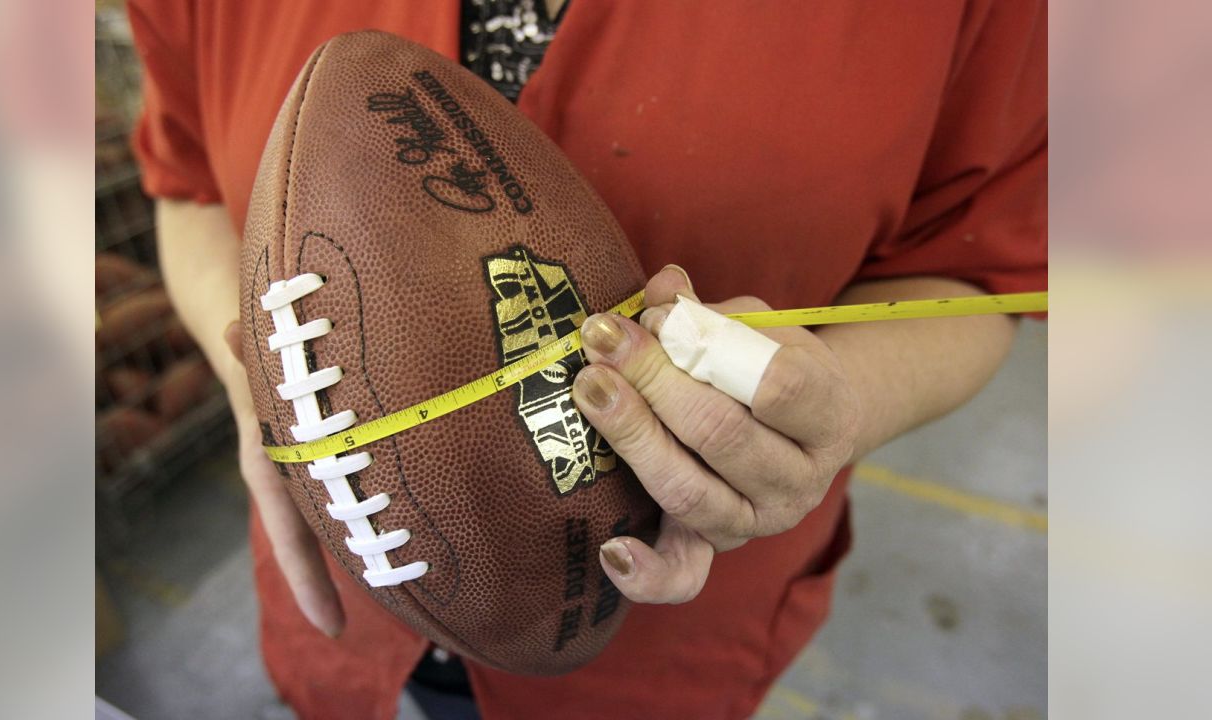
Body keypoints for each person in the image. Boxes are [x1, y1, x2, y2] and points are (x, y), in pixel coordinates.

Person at [128, 1, 1047, 717]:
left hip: (672, 601)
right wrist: (268, 383)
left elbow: (984, 267)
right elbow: (185, 187)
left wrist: (843, 399)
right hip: (337, 570)